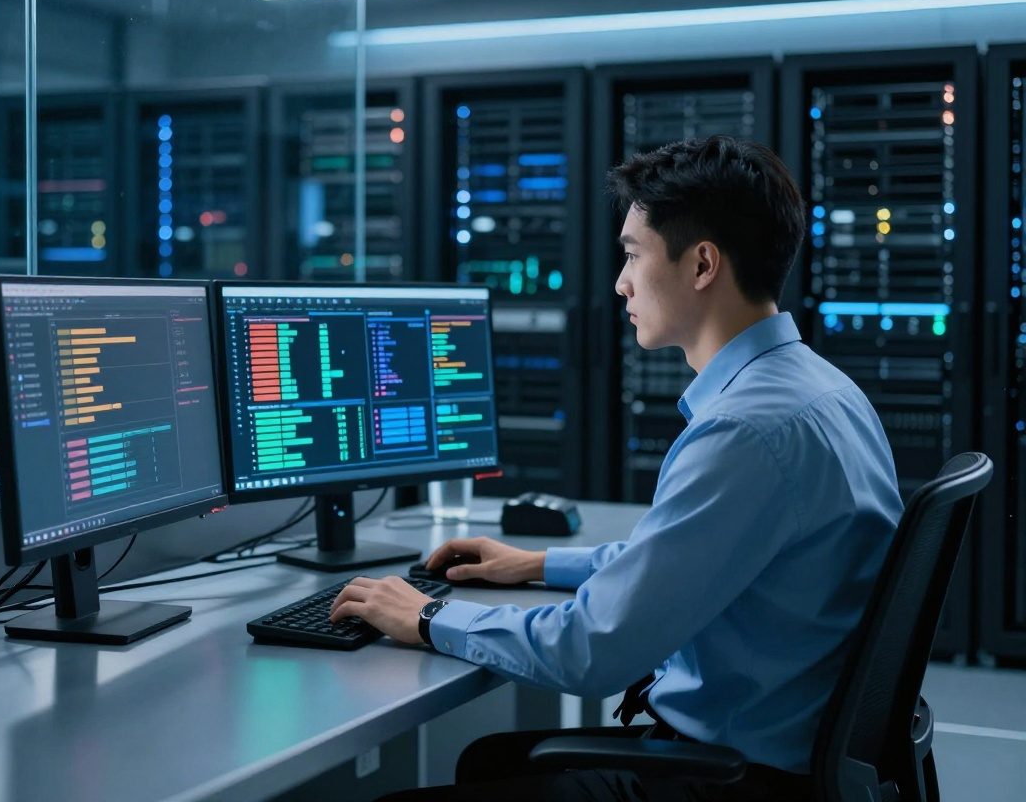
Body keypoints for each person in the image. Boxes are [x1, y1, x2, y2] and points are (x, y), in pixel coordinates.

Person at [330, 135, 904, 801]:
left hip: (734, 780)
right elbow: (686, 562)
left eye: (633, 255)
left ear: (702, 265)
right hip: (789, 754)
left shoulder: (743, 431)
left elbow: (591, 652)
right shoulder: (822, 391)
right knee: (489, 760)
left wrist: (427, 618)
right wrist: (538, 565)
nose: (620, 282)